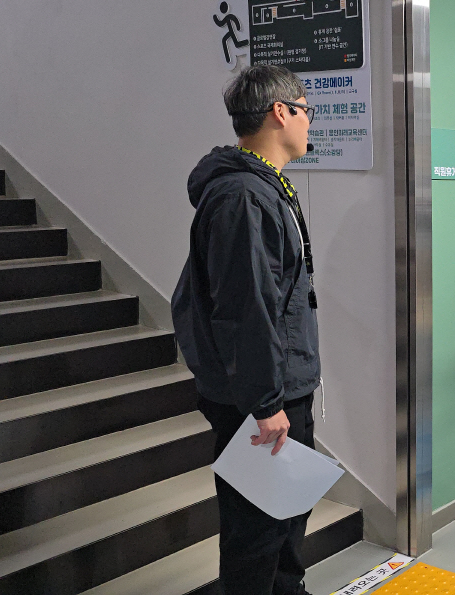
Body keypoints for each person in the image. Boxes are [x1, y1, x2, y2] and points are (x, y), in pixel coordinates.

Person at [172, 64, 320, 595]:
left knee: (283, 526)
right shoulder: (243, 196)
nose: (309, 123)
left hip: (279, 389)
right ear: (281, 112)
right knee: (256, 534)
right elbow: (244, 310)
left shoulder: (265, 185)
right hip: (259, 402)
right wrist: (266, 402)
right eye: (306, 110)